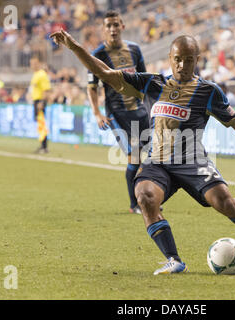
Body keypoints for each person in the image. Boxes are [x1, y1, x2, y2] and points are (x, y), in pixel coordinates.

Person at [51, 30, 235, 275]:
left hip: (193, 161)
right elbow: (103, 72)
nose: (182, 65)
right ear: (170, 58)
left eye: (189, 59)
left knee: (226, 204)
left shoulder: (208, 91)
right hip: (158, 162)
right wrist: (74, 46)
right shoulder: (150, 83)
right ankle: (174, 259)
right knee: (145, 197)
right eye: (178, 59)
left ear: (197, 60)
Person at [87, 10, 150, 214]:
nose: (113, 29)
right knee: (134, 156)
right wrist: (97, 113)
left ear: (122, 26)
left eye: (116, 25)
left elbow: (144, 80)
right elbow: (92, 86)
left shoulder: (135, 49)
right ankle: (135, 204)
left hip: (140, 112)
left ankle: (147, 197)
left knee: (152, 157)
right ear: (104, 29)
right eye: (108, 26)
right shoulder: (97, 55)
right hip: (116, 114)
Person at [30, 54, 51, 154]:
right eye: (31, 64)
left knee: (42, 124)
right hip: (36, 101)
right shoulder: (36, 74)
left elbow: (46, 90)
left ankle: (44, 147)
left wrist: (42, 102)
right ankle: (42, 145)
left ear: (38, 64)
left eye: (34, 63)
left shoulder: (42, 74)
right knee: (40, 124)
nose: (33, 65)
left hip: (40, 101)